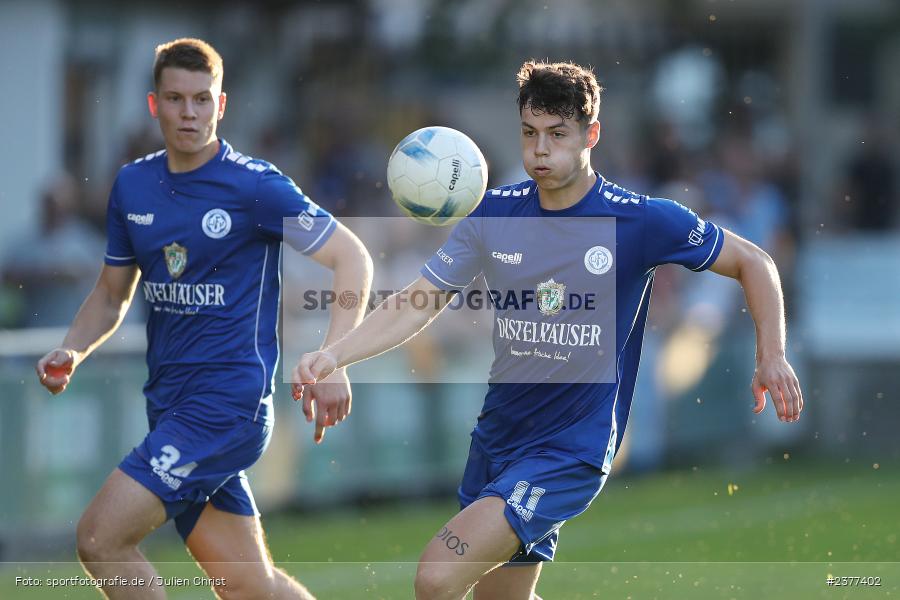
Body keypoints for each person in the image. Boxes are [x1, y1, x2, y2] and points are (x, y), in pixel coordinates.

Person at [295, 61, 803, 600]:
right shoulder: (491, 213)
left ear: (591, 134)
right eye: (530, 133)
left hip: (570, 449)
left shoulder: (640, 219)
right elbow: (417, 302)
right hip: (500, 438)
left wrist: (771, 354)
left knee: (436, 576)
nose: (541, 150)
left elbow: (755, 262)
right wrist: (336, 355)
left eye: (558, 135)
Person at [35, 38, 373, 599]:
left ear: (221, 106)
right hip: (171, 407)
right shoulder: (132, 185)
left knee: (100, 539)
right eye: (175, 99)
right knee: (250, 587)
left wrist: (335, 358)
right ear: (154, 105)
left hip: (226, 407)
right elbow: (111, 293)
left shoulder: (254, 186)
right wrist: (72, 348)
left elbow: (351, 256)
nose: (188, 113)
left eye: (201, 99)